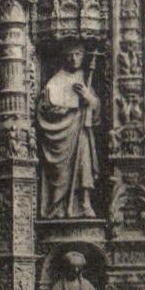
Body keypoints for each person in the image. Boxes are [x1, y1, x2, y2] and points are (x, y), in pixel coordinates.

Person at [37, 43, 100, 217]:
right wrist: (64, 110)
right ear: (64, 57)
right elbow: (44, 108)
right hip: (61, 134)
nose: (74, 59)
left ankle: (84, 202)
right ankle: (58, 205)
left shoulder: (85, 78)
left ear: (83, 56)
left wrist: (89, 98)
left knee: (84, 163)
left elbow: (96, 107)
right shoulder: (56, 80)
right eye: (70, 55)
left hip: (81, 130)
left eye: (78, 54)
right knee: (61, 172)